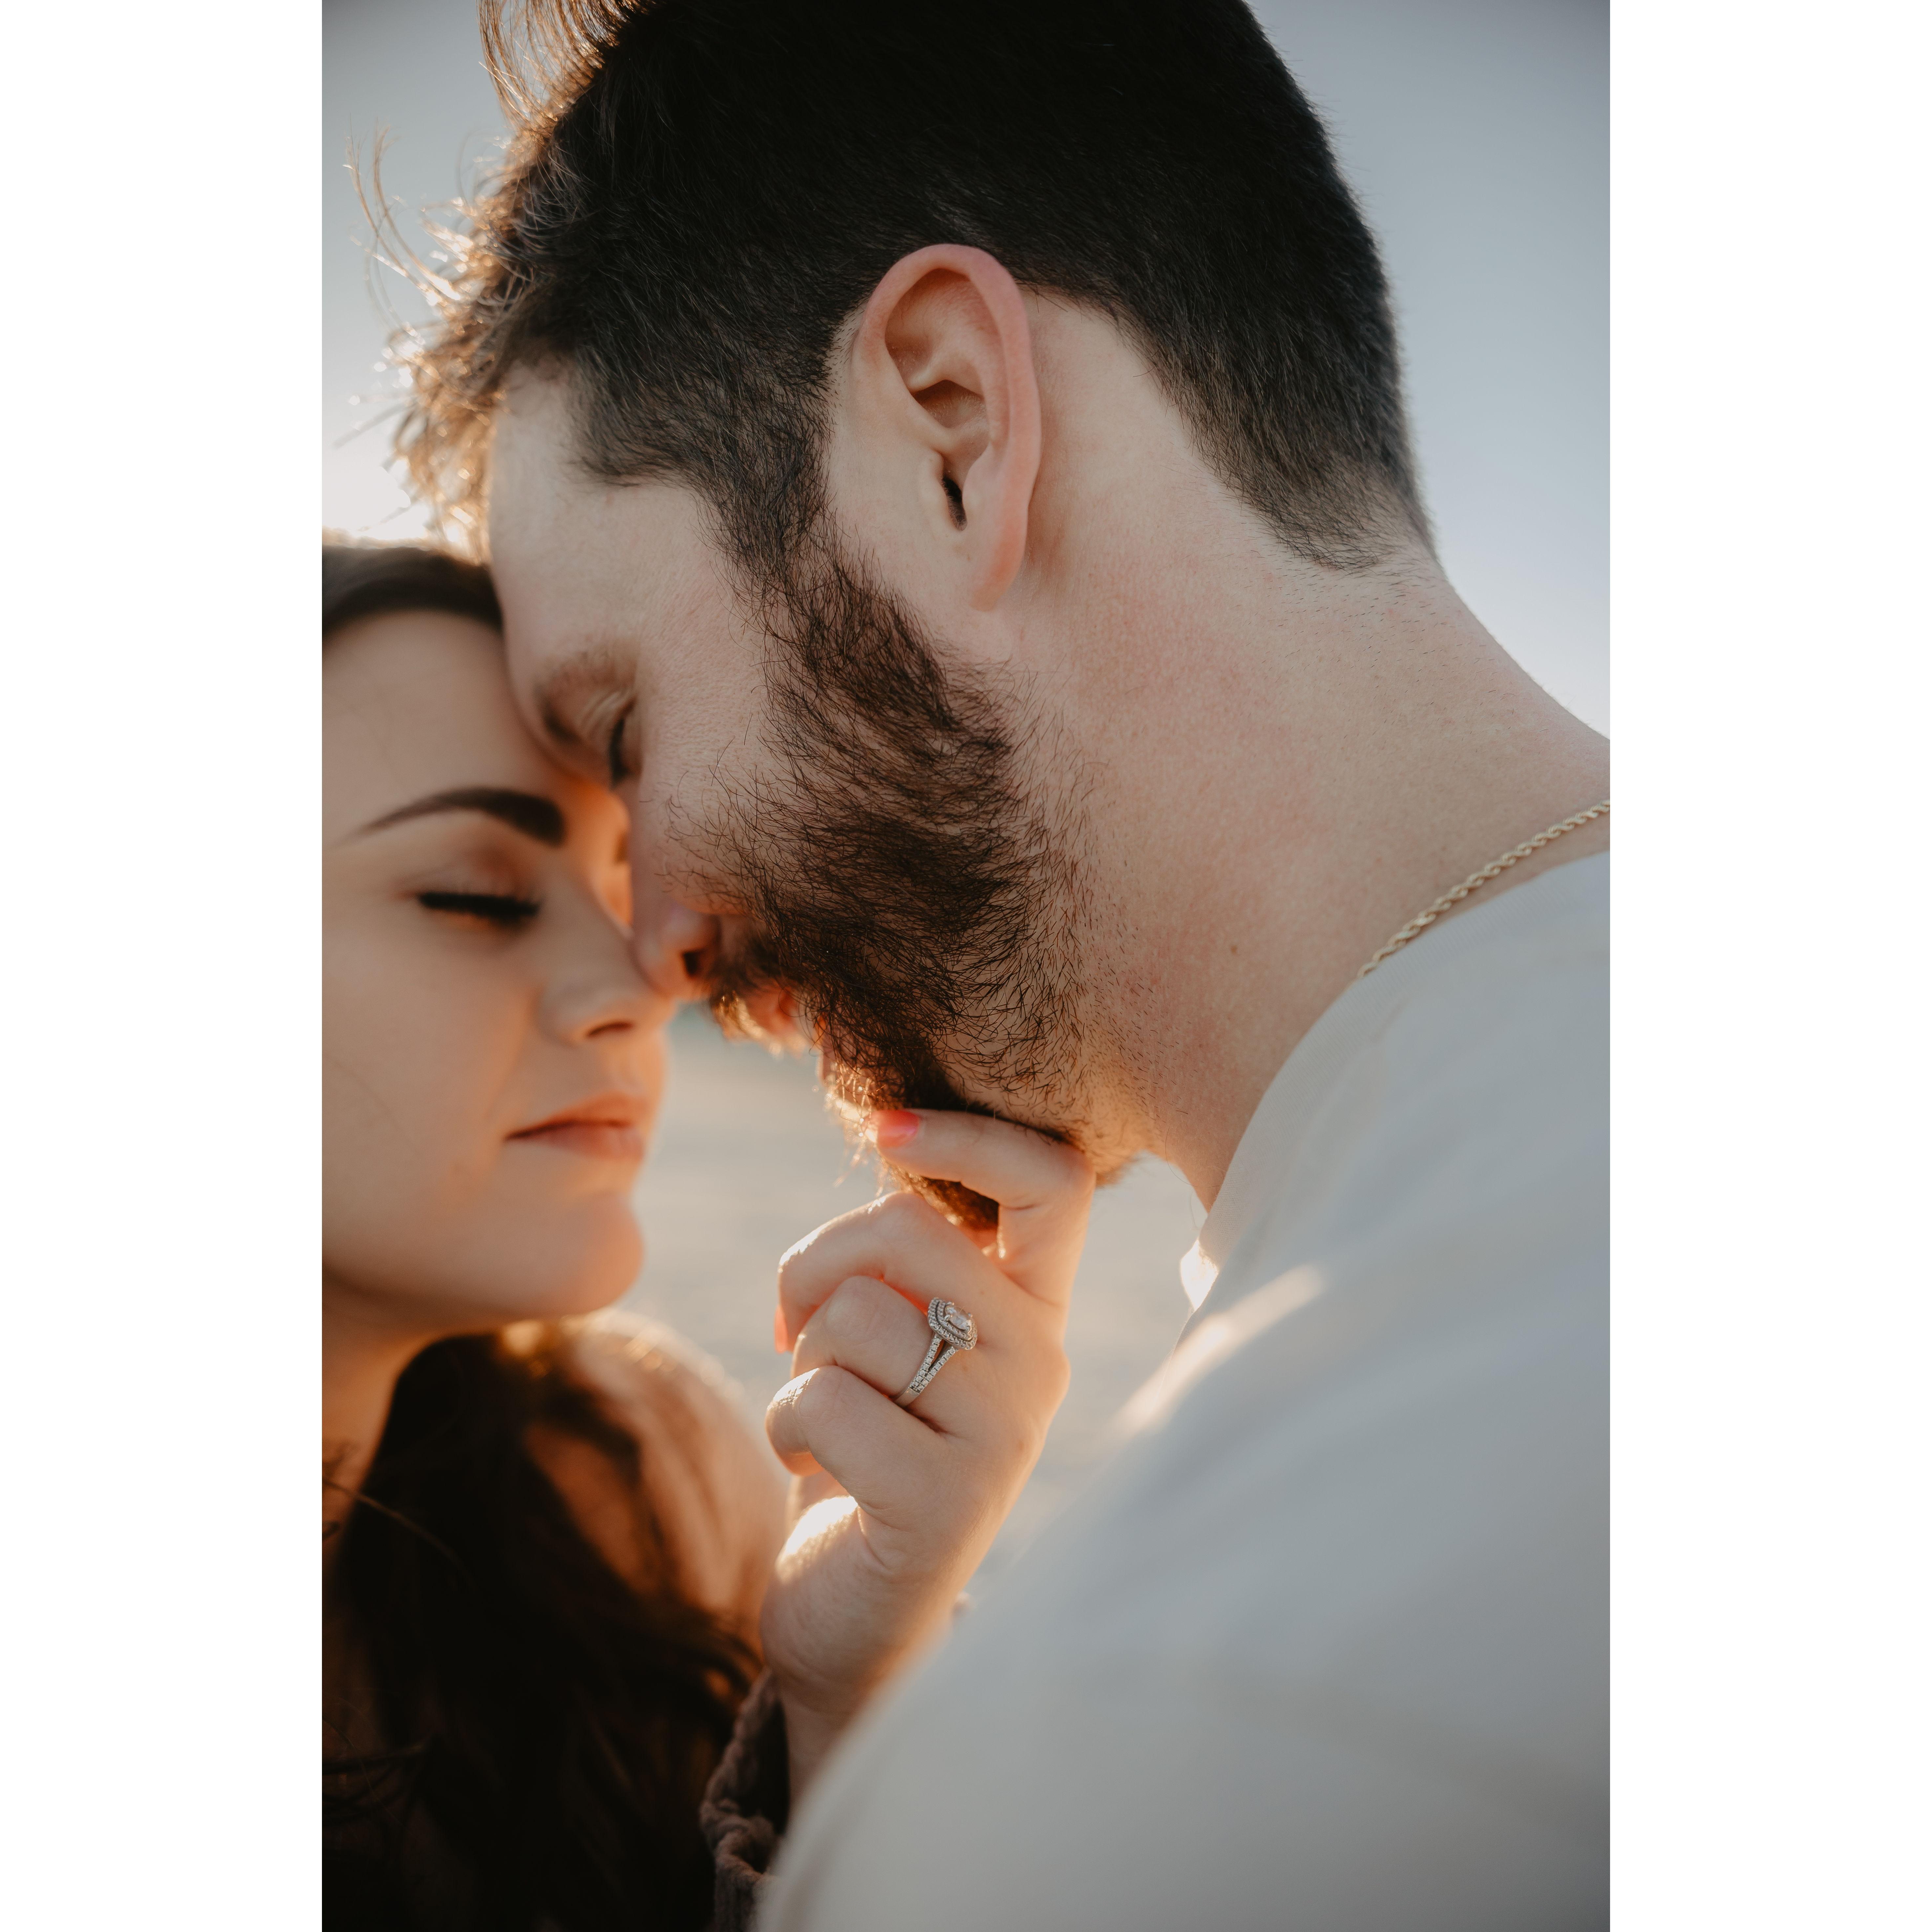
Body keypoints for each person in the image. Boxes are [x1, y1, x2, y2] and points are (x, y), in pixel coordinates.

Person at [399, 0, 1610, 1923]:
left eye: (623, 726)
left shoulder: (1185, 1732)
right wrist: (850, 1707)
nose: (656, 945)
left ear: (952, 424)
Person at [321, 540, 1090, 1930]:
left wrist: (851, 1693)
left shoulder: (643, 1484)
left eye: (619, 890)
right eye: (476, 894)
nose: (643, 981)